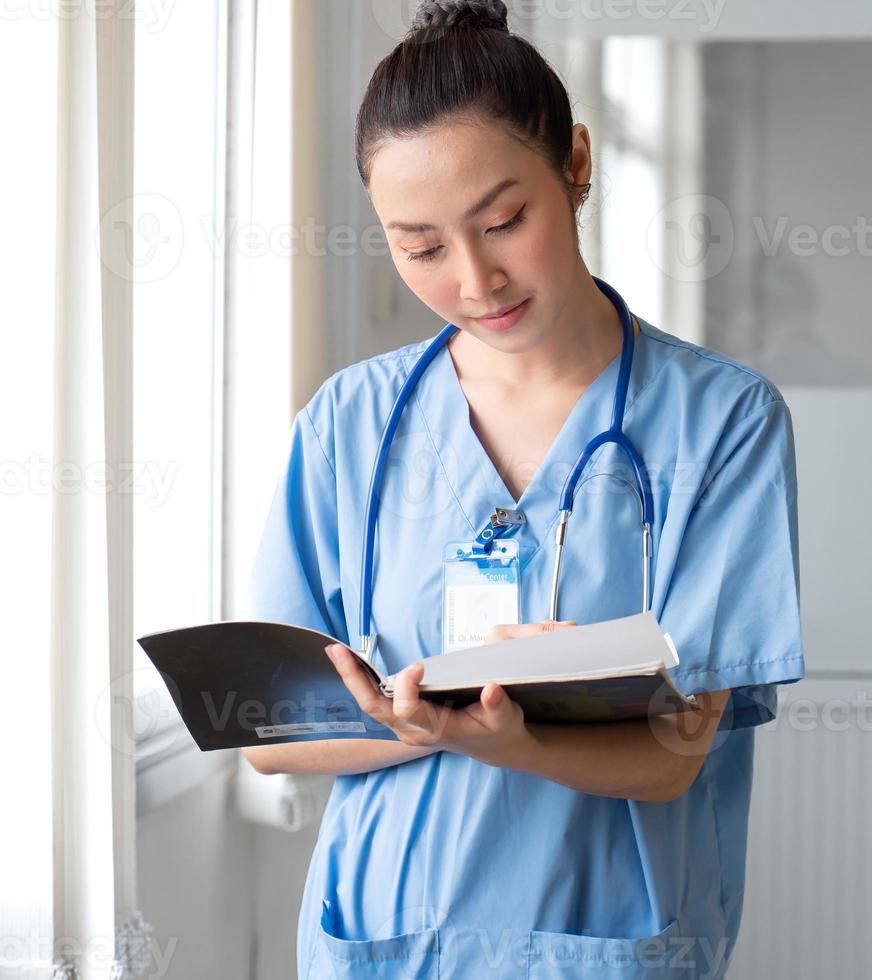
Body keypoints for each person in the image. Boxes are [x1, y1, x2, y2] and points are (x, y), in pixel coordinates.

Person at [243, 2, 805, 976]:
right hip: (383, 937)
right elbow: (273, 735)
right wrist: (420, 725)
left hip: (601, 937)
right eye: (419, 246)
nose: (474, 277)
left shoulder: (721, 421)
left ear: (575, 163)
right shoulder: (349, 423)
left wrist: (506, 737)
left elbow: (672, 753)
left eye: (503, 220)